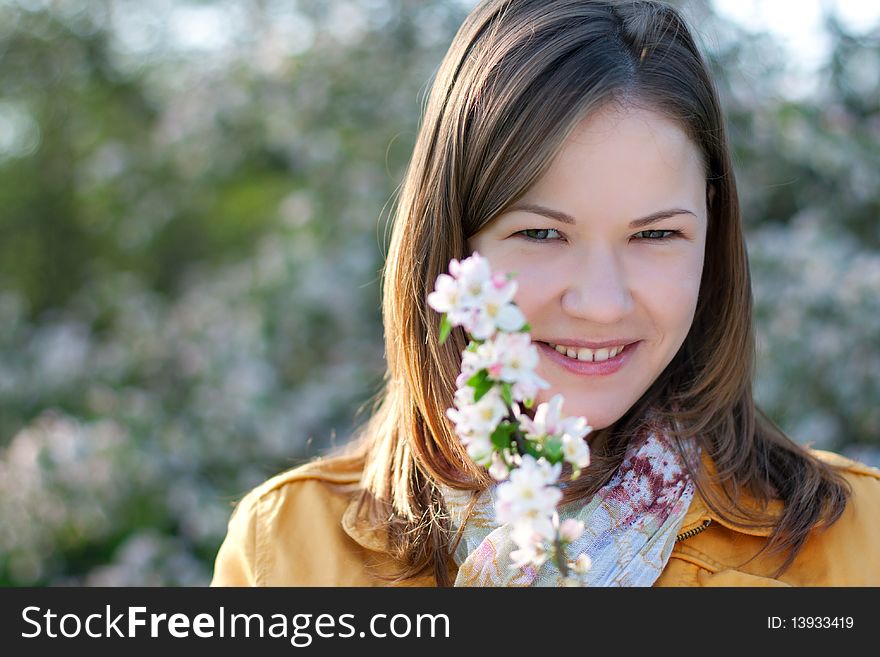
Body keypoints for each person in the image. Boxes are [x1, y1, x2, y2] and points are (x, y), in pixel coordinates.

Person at [210, 0, 880, 587]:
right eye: (541, 233)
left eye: (653, 236)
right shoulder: (290, 551)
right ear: (453, 240)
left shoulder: (855, 541)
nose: (600, 302)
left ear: (711, 228)